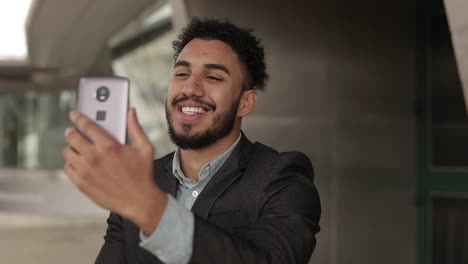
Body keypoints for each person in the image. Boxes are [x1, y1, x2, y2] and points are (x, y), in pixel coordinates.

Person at [63, 17, 321, 264]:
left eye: (213, 77)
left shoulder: (282, 177)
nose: (190, 88)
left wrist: (150, 208)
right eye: (182, 74)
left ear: (245, 102)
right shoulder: (142, 179)